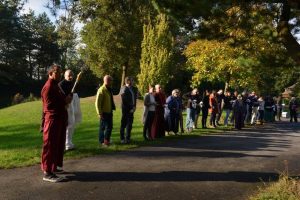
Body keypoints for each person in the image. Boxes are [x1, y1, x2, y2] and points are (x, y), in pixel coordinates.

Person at [41, 64, 72, 183]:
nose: (59, 74)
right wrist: (65, 102)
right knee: (50, 146)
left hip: (59, 120)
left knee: (58, 145)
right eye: (57, 73)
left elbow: (62, 99)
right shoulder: (48, 87)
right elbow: (49, 107)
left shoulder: (56, 86)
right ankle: (48, 172)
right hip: (52, 120)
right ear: (50, 74)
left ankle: (54, 168)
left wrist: (66, 99)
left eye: (60, 72)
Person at [59, 70, 82, 151]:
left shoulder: (71, 83)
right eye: (69, 75)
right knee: (68, 124)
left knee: (72, 123)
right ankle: (67, 144)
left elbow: (73, 92)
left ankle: (69, 142)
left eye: (72, 75)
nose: (71, 77)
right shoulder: (61, 84)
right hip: (66, 106)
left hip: (71, 105)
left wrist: (77, 81)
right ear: (65, 75)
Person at [95, 75, 116, 146]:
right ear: (106, 80)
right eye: (110, 80)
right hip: (103, 112)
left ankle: (107, 140)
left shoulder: (109, 89)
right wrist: (99, 113)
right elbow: (97, 103)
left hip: (109, 111)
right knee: (103, 127)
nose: (112, 82)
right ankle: (102, 141)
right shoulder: (101, 90)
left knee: (109, 126)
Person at [119, 77, 138, 144]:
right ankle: (122, 139)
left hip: (132, 109)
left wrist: (134, 107)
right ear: (128, 81)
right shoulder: (123, 88)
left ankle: (128, 138)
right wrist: (131, 107)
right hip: (126, 109)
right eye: (132, 80)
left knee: (130, 124)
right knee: (123, 123)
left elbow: (134, 99)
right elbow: (124, 100)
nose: (133, 82)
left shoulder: (133, 89)